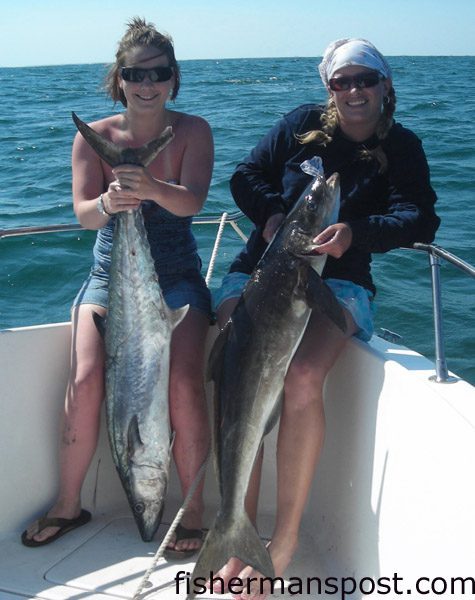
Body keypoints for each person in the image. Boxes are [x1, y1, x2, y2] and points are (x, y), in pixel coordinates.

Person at [212, 38, 440, 599]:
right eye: (342, 82)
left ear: (385, 85)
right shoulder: (300, 125)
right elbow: (245, 174)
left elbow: (419, 218)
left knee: (302, 377)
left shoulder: (403, 146)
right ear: (328, 88)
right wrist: (268, 216)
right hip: (260, 270)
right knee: (233, 378)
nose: (354, 91)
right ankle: (238, 539)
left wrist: (356, 234)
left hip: (338, 279)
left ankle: (282, 545)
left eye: (366, 80)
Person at [21, 17, 213, 558]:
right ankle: (67, 503)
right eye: (135, 73)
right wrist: (108, 203)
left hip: (176, 275)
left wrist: (150, 187)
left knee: (184, 383)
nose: (147, 83)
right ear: (119, 78)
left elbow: (193, 202)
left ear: (173, 78)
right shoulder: (95, 140)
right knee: (85, 380)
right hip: (111, 273)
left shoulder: (193, 131)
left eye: (159, 73)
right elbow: (84, 214)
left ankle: (192, 511)